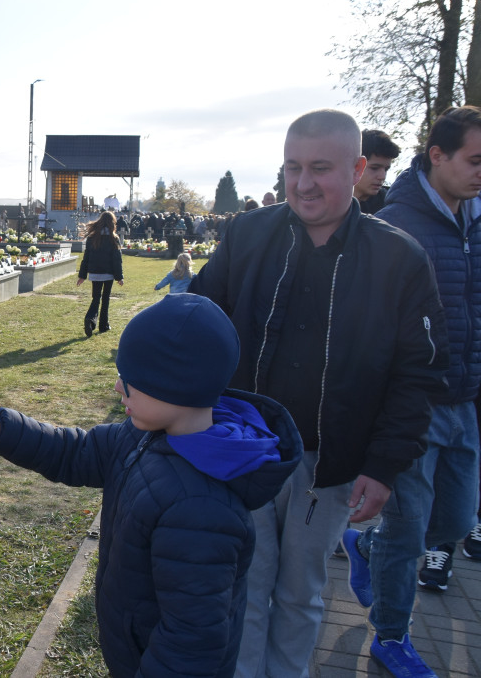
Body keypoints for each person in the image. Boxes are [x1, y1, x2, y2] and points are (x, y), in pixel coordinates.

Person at [188, 108, 448, 678]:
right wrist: (151, 370)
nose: (303, 183)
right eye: (292, 167)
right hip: (245, 451)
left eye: (321, 168)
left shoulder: (399, 257)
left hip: (329, 466)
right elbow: (197, 316)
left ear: (356, 169)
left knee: (301, 592)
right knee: (247, 585)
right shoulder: (247, 234)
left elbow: (417, 374)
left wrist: (382, 466)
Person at [0, 294, 302, 677]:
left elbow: (190, 642)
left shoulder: (201, 510)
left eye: (132, 380)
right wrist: (3, 430)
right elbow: (78, 451)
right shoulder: (144, 434)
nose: (119, 386)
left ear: (174, 386)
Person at [341, 106, 481, 677]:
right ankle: (391, 636)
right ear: (438, 156)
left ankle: (366, 547)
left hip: (465, 399)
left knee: (455, 523)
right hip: (413, 406)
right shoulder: (397, 226)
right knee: (407, 531)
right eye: (475, 160)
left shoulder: (476, 222)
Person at [76, 211, 124, 336]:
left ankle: (90, 319)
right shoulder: (114, 238)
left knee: (96, 298)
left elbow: (86, 257)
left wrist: (82, 276)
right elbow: (117, 260)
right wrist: (119, 277)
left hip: (95, 273)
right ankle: (103, 325)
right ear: (112, 223)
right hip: (108, 273)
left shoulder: (92, 237)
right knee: (105, 299)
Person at [354, 128, 401, 214]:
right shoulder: (329, 202)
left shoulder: (391, 206)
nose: (382, 176)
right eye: (374, 168)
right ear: (355, 165)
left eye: (386, 169)